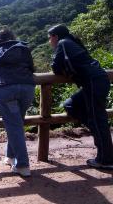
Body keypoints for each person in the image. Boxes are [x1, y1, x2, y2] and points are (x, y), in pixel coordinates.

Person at [48, 24, 113, 169]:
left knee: (98, 119)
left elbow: (56, 67)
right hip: (96, 81)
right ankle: (95, 127)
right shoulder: (71, 43)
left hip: (93, 82)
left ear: (55, 36)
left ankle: (106, 160)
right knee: (71, 105)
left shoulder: (63, 43)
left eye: (49, 38)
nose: (49, 41)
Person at [0, 28, 35, 177]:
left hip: (6, 89)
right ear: (12, 37)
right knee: (17, 124)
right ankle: (10, 157)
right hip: (27, 87)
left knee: (14, 126)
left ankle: (23, 165)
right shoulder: (23, 47)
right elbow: (32, 68)